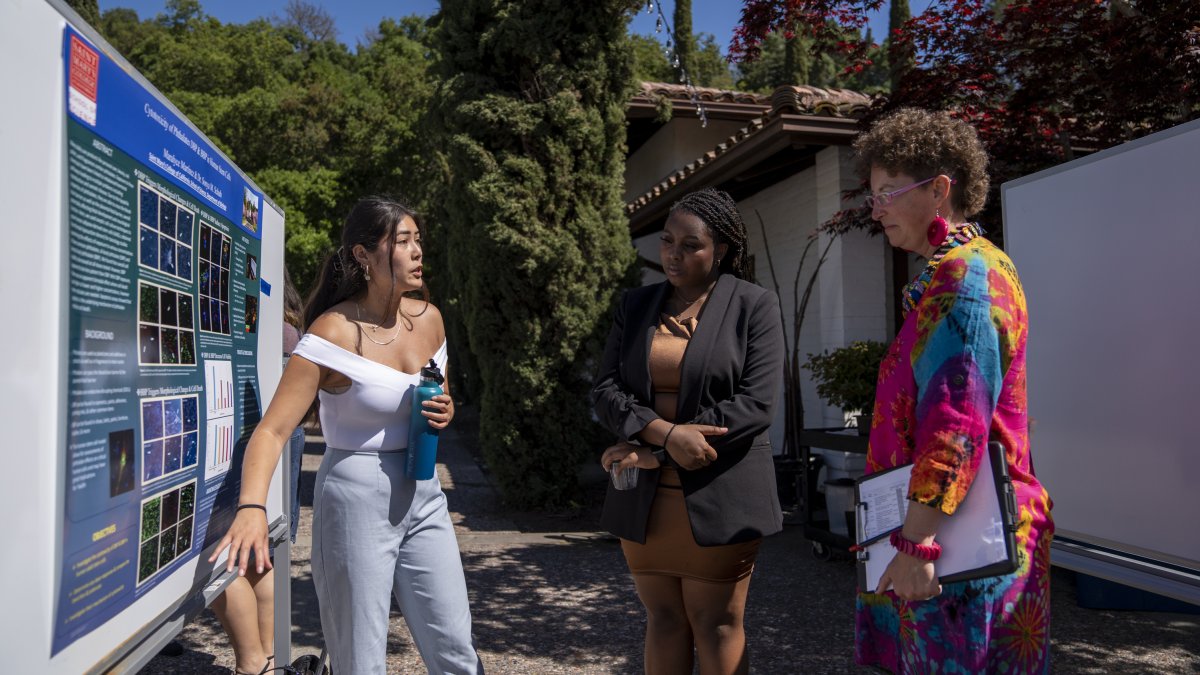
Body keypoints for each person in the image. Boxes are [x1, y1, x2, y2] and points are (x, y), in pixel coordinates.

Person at [210, 196, 484, 675]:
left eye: (418, 239)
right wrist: (252, 508)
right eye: (403, 241)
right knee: (361, 658)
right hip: (355, 496)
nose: (418, 251)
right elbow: (273, 430)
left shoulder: (431, 318)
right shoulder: (332, 332)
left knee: (456, 648)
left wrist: (446, 407)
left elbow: (440, 392)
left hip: (424, 490)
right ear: (363, 254)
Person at [852, 108, 1053, 672]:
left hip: (961, 555)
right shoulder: (968, 268)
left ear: (940, 189)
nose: (878, 208)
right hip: (962, 537)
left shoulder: (964, 277)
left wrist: (917, 544)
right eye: (874, 195)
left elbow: (956, 425)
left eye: (890, 192)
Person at [591, 188, 785, 675]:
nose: (674, 254)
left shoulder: (753, 305)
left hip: (720, 491)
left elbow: (756, 404)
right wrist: (660, 431)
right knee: (663, 619)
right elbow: (607, 389)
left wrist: (663, 452)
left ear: (720, 249)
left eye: (690, 244)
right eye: (667, 241)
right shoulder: (635, 306)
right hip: (644, 497)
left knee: (715, 623)